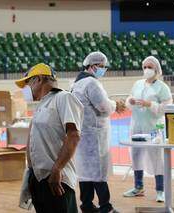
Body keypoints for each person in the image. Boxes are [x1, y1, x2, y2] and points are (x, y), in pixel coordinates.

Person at [15, 63, 84, 213]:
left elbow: (73, 135)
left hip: (56, 179)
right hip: (39, 179)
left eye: (28, 83)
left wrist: (57, 169)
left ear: (38, 79)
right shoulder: (42, 103)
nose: (26, 89)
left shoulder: (64, 98)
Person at [71, 51, 125, 213]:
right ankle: (105, 207)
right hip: (94, 136)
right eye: (101, 67)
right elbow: (104, 107)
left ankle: (86, 205)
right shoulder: (91, 83)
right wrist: (116, 105)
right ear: (92, 66)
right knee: (98, 172)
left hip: (83, 134)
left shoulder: (76, 84)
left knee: (85, 173)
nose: (103, 70)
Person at [123, 56, 173, 202]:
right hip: (136, 125)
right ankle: (138, 187)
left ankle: (160, 190)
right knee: (136, 155)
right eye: (144, 67)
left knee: (157, 157)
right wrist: (130, 101)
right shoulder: (138, 84)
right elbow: (129, 99)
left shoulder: (162, 87)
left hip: (154, 127)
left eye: (150, 67)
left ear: (156, 69)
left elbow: (166, 107)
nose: (147, 70)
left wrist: (149, 104)